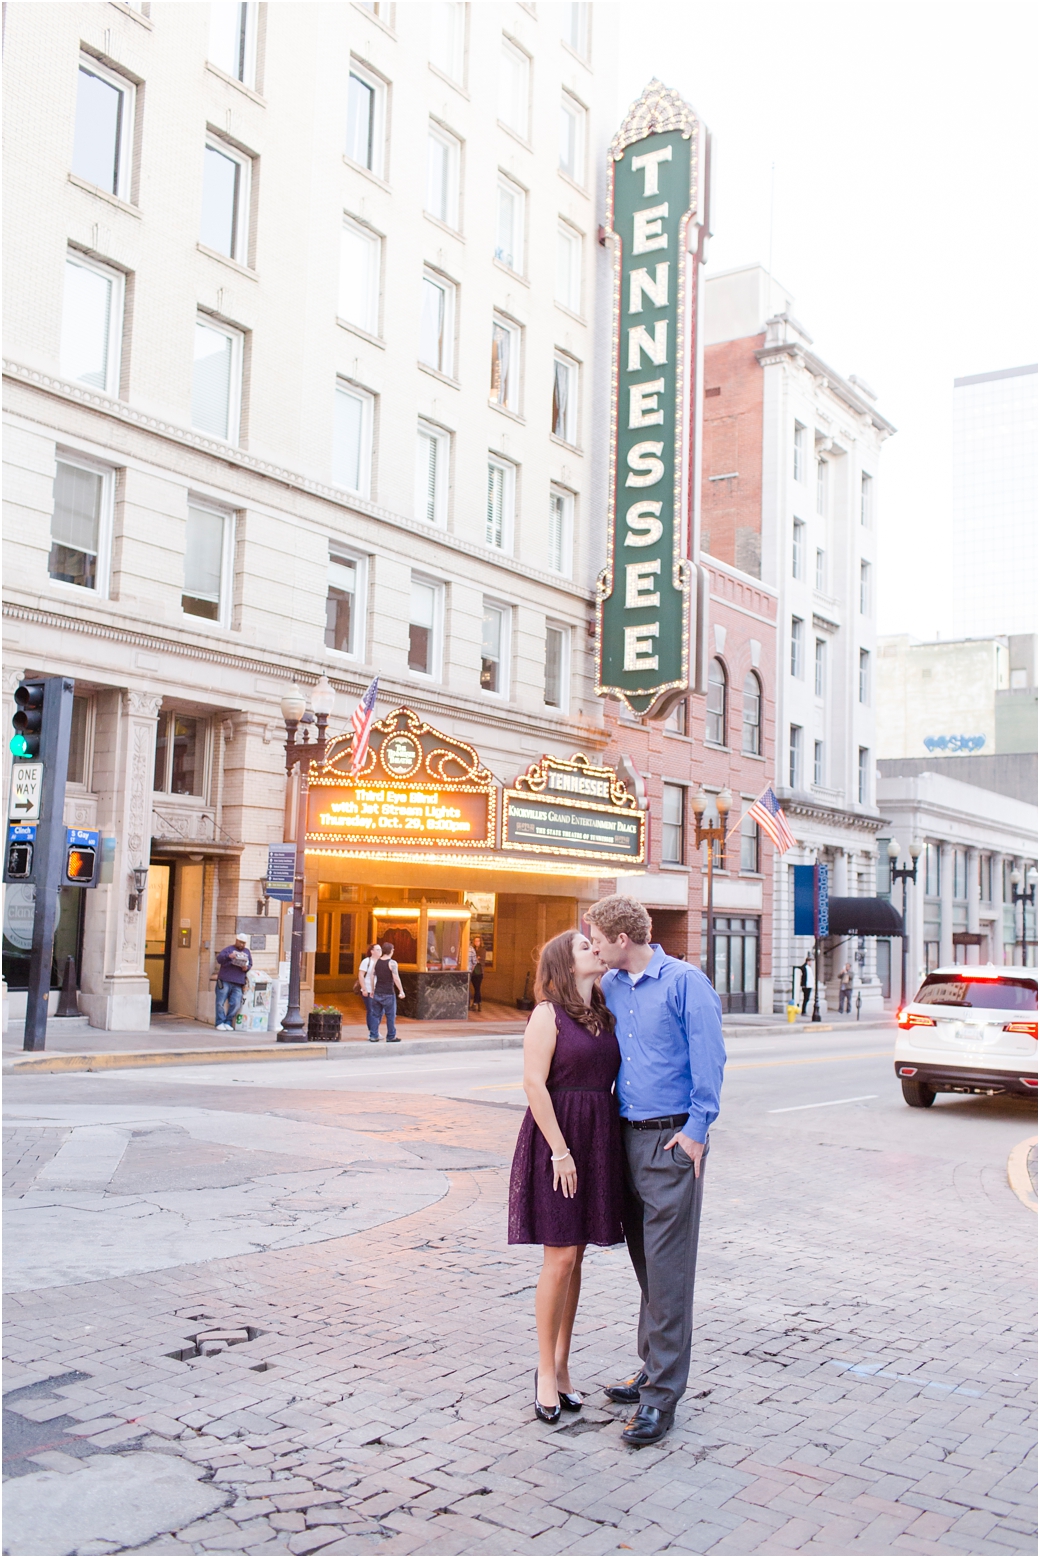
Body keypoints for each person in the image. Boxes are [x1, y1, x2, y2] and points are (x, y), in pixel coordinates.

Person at [587, 895, 725, 1448]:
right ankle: (651, 1368)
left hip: (671, 1140)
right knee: (647, 1267)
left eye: (596, 937)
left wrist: (696, 1129)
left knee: (669, 1275)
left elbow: (709, 1057)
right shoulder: (614, 986)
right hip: (625, 1137)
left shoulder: (686, 982)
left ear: (622, 938)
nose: (592, 946)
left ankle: (661, 1398)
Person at [508, 930, 624, 1425]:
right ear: (563, 963)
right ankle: (542, 1372)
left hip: (598, 1137)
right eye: (583, 947)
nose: (593, 950)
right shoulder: (546, 1014)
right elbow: (534, 1083)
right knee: (558, 1258)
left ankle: (562, 1364)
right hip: (558, 1142)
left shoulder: (601, 1012)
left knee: (576, 1258)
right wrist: (560, 1151)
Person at [366, 941, 404, 1042]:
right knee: (390, 1015)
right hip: (388, 993)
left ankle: (373, 1035)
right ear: (391, 951)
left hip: (377, 992)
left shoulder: (377, 962)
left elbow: (372, 976)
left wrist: (372, 990)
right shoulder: (392, 963)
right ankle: (391, 1036)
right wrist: (401, 990)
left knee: (375, 1015)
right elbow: (396, 978)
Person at [215, 935, 252, 1031]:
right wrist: (229, 956)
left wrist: (246, 968)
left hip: (238, 981)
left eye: (244, 943)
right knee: (220, 1002)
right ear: (236, 940)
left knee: (236, 1003)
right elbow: (219, 959)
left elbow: (250, 963)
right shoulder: (228, 949)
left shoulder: (247, 952)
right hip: (225, 979)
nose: (242, 944)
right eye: (240, 942)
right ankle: (220, 1022)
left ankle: (228, 1021)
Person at [358, 942, 382, 1037]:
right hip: (368, 989)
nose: (380, 951)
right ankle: (372, 1032)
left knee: (380, 1011)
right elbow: (361, 975)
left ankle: (375, 1029)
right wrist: (364, 989)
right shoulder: (366, 961)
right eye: (377, 949)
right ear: (372, 951)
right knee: (372, 1010)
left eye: (380, 949)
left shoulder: (381, 962)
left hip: (379, 990)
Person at [468, 936, 484, 1012]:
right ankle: (479, 1003)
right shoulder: (472, 949)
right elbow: (475, 959)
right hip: (473, 972)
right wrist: (476, 958)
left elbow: (479, 960)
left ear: (481, 942)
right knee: (476, 988)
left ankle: (475, 1004)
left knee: (477, 988)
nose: (476, 942)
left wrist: (476, 958)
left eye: (478, 941)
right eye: (475, 941)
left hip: (479, 972)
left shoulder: (482, 950)